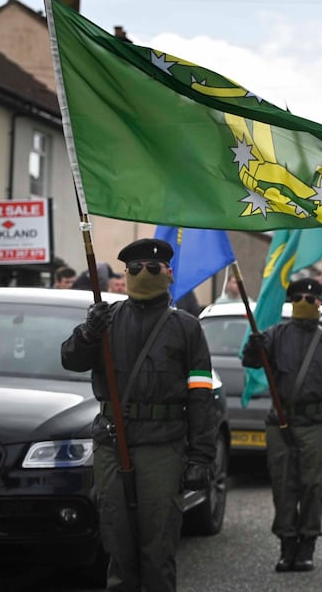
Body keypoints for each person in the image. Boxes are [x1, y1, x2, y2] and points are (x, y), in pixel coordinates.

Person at [60, 238, 218, 591]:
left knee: (158, 544)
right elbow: (71, 360)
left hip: (163, 446)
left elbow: (201, 396)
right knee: (117, 543)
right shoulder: (106, 320)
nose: (142, 273)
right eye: (134, 268)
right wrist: (88, 332)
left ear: (169, 273)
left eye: (152, 268)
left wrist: (201, 457)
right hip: (112, 443)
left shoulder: (187, 327)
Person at [242, 278, 322, 572]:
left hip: (316, 424)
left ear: (319, 303)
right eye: (298, 298)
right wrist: (253, 347)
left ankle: (307, 544)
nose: (304, 302)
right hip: (281, 423)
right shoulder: (274, 335)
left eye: (310, 298)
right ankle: (287, 543)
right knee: (283, 485)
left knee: (313, 486)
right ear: (291, 303)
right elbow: (251, 363)